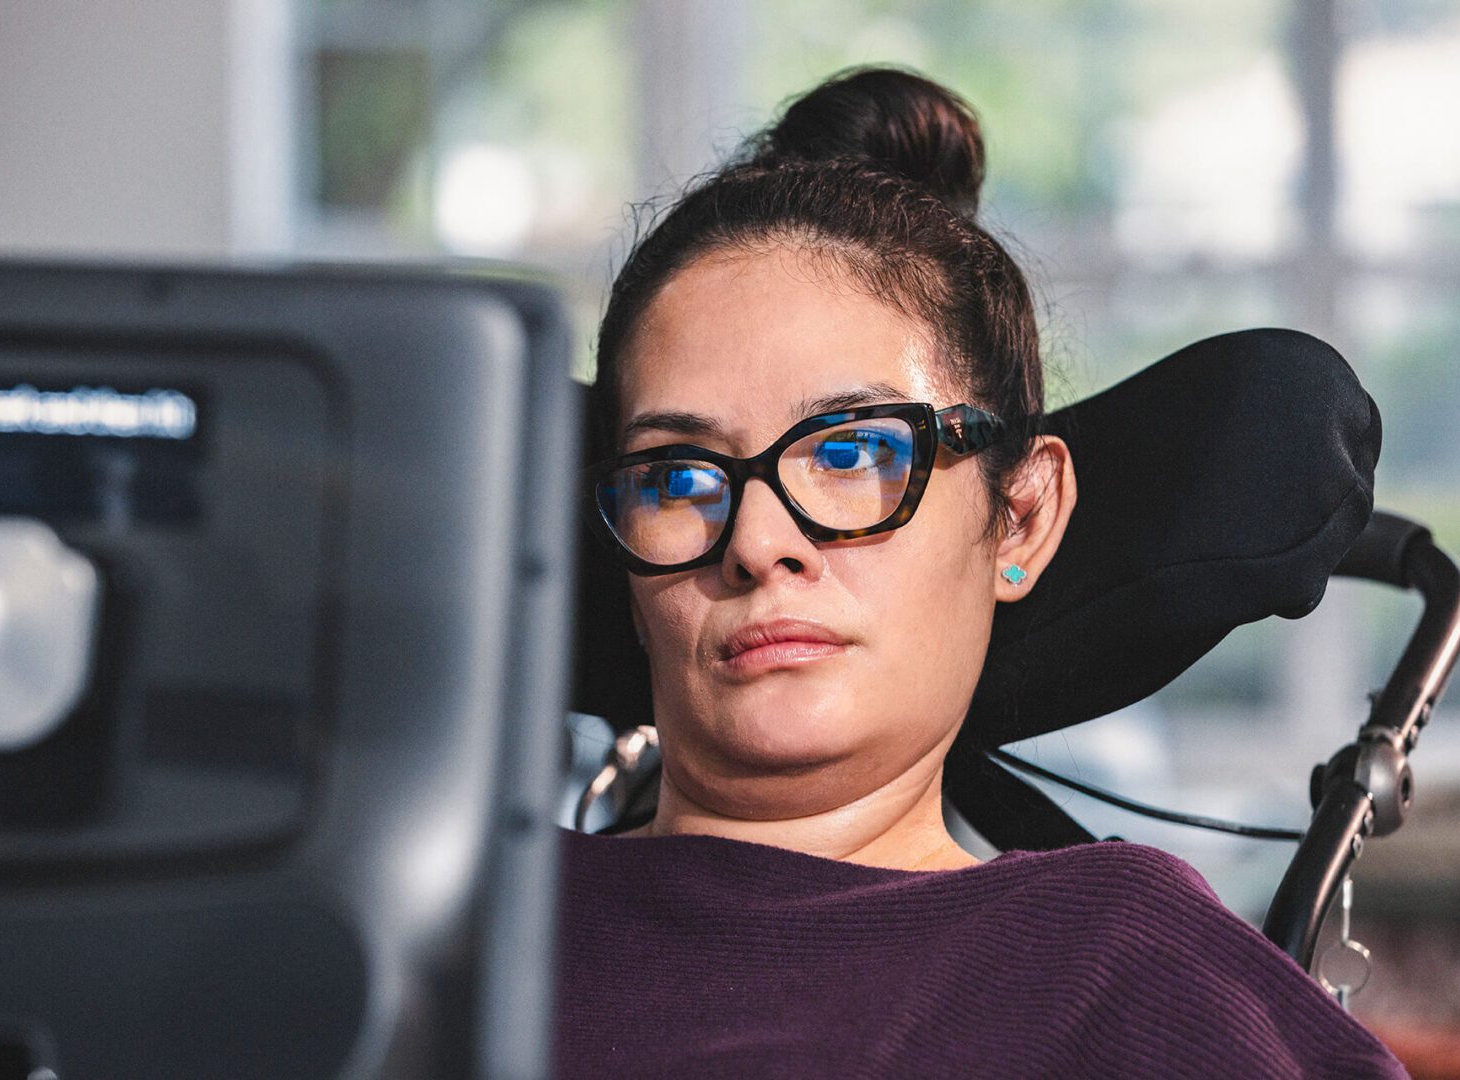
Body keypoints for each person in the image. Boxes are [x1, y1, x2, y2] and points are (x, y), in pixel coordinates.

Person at [554, 66, 1407, 1078]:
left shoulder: (1121, 968)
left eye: (848, 455)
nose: (754, 542)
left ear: (1020, 516)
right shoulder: (440, 918)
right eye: (678, 475)